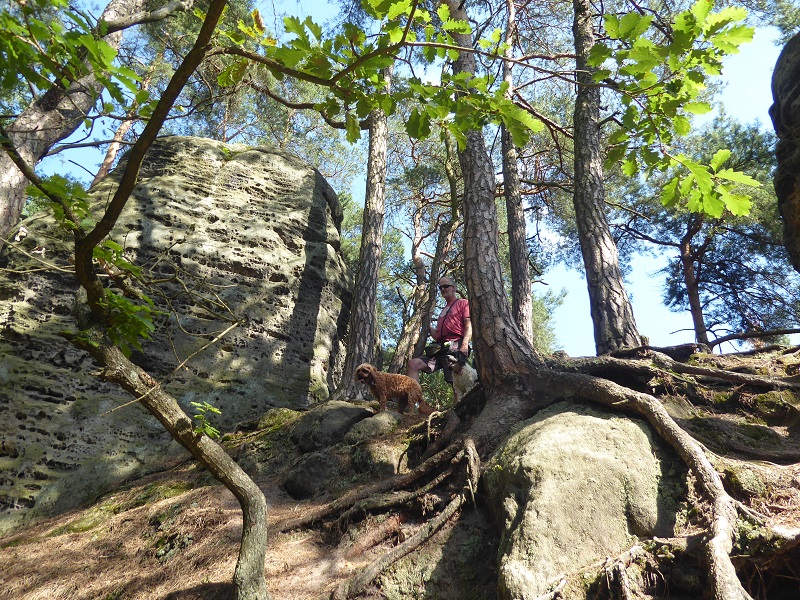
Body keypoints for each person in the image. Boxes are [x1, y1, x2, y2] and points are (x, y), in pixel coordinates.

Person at [407, 276, 472, 387]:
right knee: (413, 364)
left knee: (454, 381)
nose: (443, 289)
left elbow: (468, 324)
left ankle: (461, 399)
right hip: (440, 348)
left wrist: (465, 344)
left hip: (455, 344)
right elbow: (437, 336)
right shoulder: (443, 311)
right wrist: (426, 324)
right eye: (440, 287)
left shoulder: (463, 303)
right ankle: (413, 396)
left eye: (446, 286)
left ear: (453, 288)